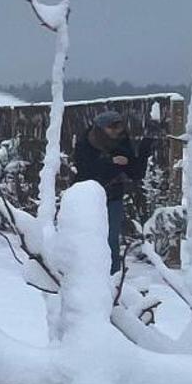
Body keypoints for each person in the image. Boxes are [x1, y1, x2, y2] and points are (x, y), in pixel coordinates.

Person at [70, 109, 155, 268]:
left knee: (111, 238)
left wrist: (144, 148)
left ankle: (113, 275)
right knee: (86, 237)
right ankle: (84, 271)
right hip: (89, 198)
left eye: (119, 127)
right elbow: (86, 170)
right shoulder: (86, 143)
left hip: (113, 197)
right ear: (101, 128)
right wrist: (111, 161)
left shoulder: (122, 142)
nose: (117, 131)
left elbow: (135, 173)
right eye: (112, 127)